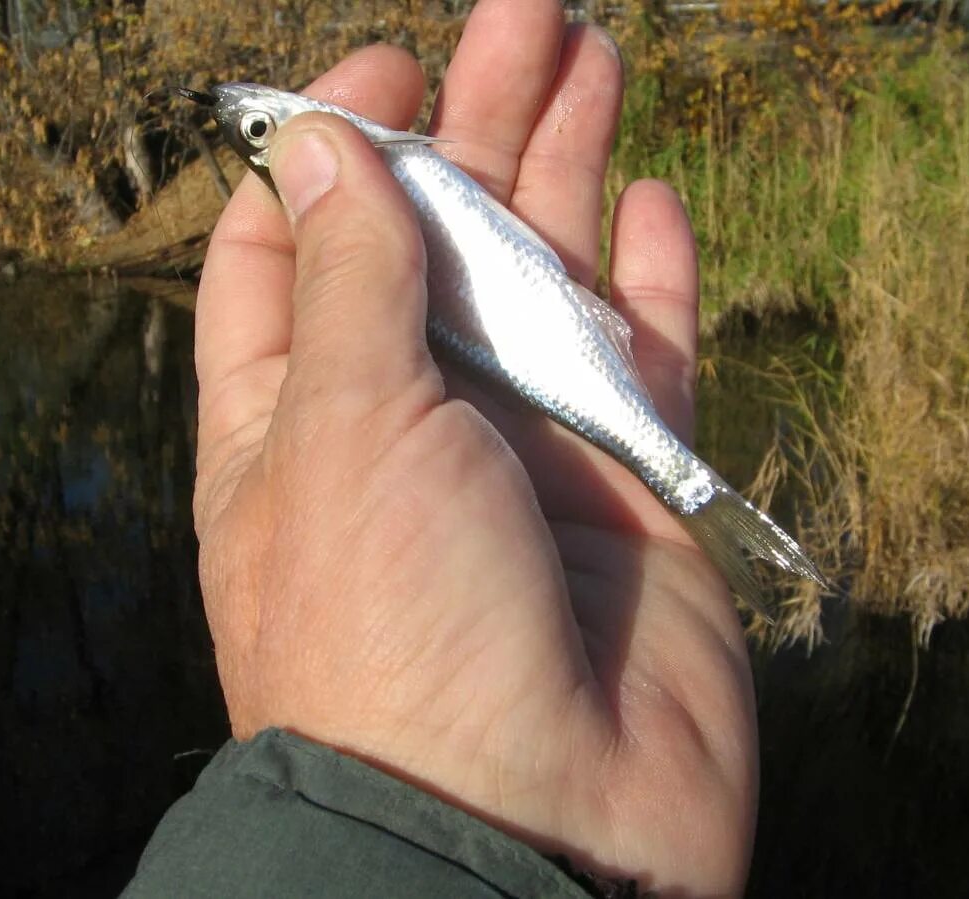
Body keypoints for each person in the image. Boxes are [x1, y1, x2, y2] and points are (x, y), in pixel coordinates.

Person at [123, 1, 757, 896]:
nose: (269, 120)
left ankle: (702, 500)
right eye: (264, 129)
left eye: (258, 123)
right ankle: (702, 498)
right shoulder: (354, 161)